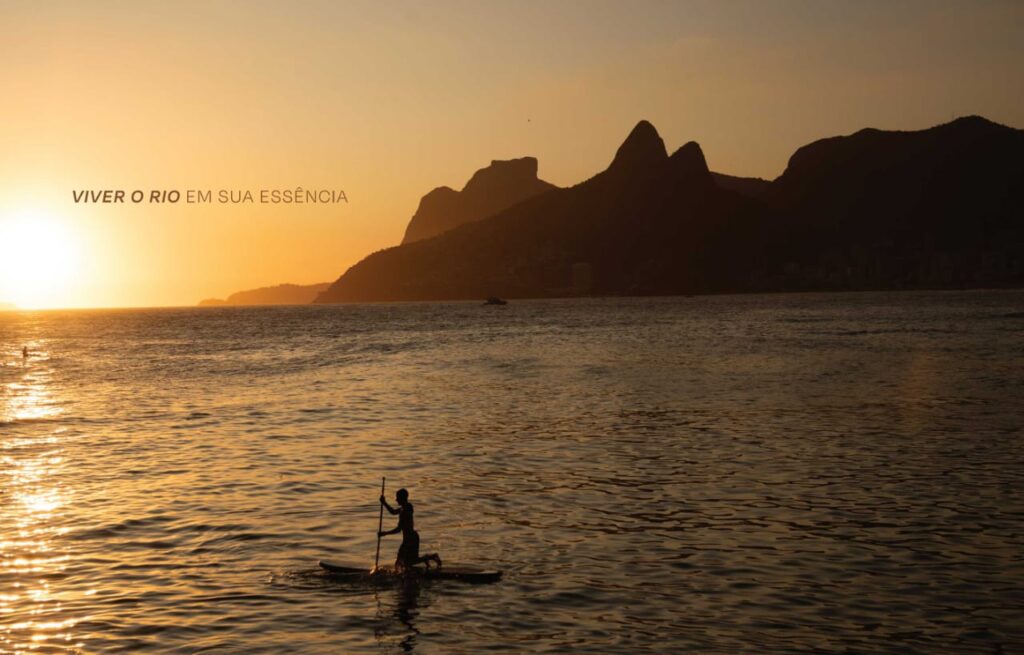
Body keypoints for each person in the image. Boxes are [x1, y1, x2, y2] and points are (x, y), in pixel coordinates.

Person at [379, 488, 442, 571]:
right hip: (409, 538)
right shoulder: (405, 507)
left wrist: (385, 533)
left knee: (404, 562)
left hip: (411, 539)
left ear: (402, 498)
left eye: (397, 498)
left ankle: (430, 557)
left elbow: (398, 529)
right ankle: (429, 557)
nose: (396, 499)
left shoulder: (405, 510)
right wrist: (384, 503)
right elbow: (393, 512)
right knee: (403, 562)